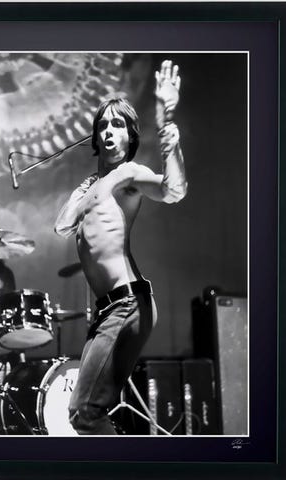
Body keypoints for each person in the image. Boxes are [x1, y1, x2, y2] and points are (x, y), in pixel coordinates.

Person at [54, 60, 187, 435]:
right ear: (95, 137)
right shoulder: (94, 186)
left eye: (118, 125)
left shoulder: (128, 174)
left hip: (127, 303)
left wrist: (167, 124)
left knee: (84, 411)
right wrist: (85, 188)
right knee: (84, 413)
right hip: (109, 309)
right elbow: (62, 226)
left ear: (131, 137)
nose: (109, 131)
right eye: (103, 125)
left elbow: (173, 191)